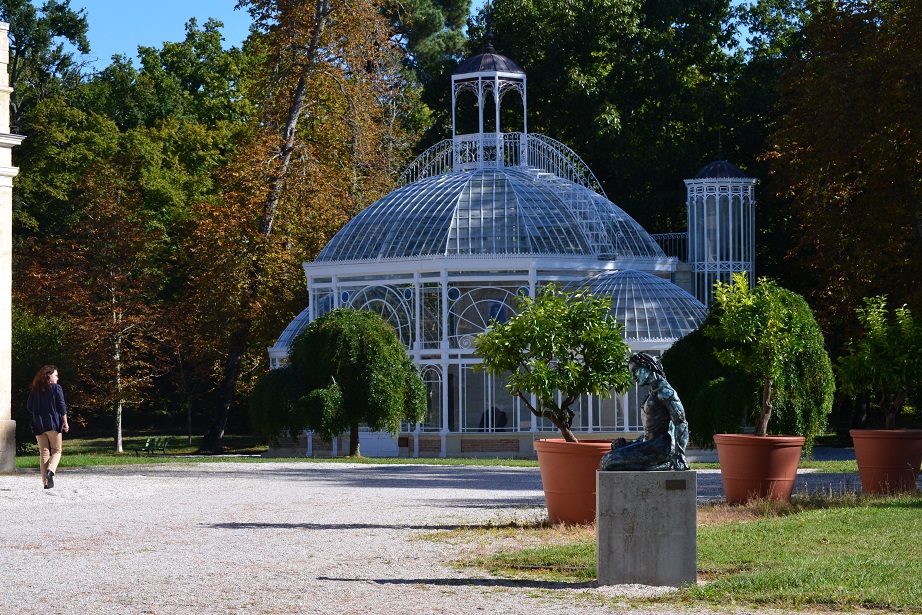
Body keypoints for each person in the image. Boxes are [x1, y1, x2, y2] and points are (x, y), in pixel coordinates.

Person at [600, 352, 689, 471]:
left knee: (608, 462)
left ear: (648, 366)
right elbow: (652, 431)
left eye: (635, 370)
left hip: (661, 448)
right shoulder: (653, 392)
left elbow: (681, 423)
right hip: (651, 444)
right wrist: (632, 443)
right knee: (613, 454)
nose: (634, 377)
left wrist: (680, 456)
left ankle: (662, 465)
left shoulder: (666, 393)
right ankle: (657, 465)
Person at [28, 365, 69, 489]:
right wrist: (65, 422)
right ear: (48, 376)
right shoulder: (56, 388)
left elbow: (29, 407)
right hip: (53, 424)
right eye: (55, 375)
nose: (57, 378)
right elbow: (62, 406)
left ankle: (45, 483)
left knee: (44, 452)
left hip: (38, 425)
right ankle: (50, 471)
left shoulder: (35, 390)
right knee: (57, 451)